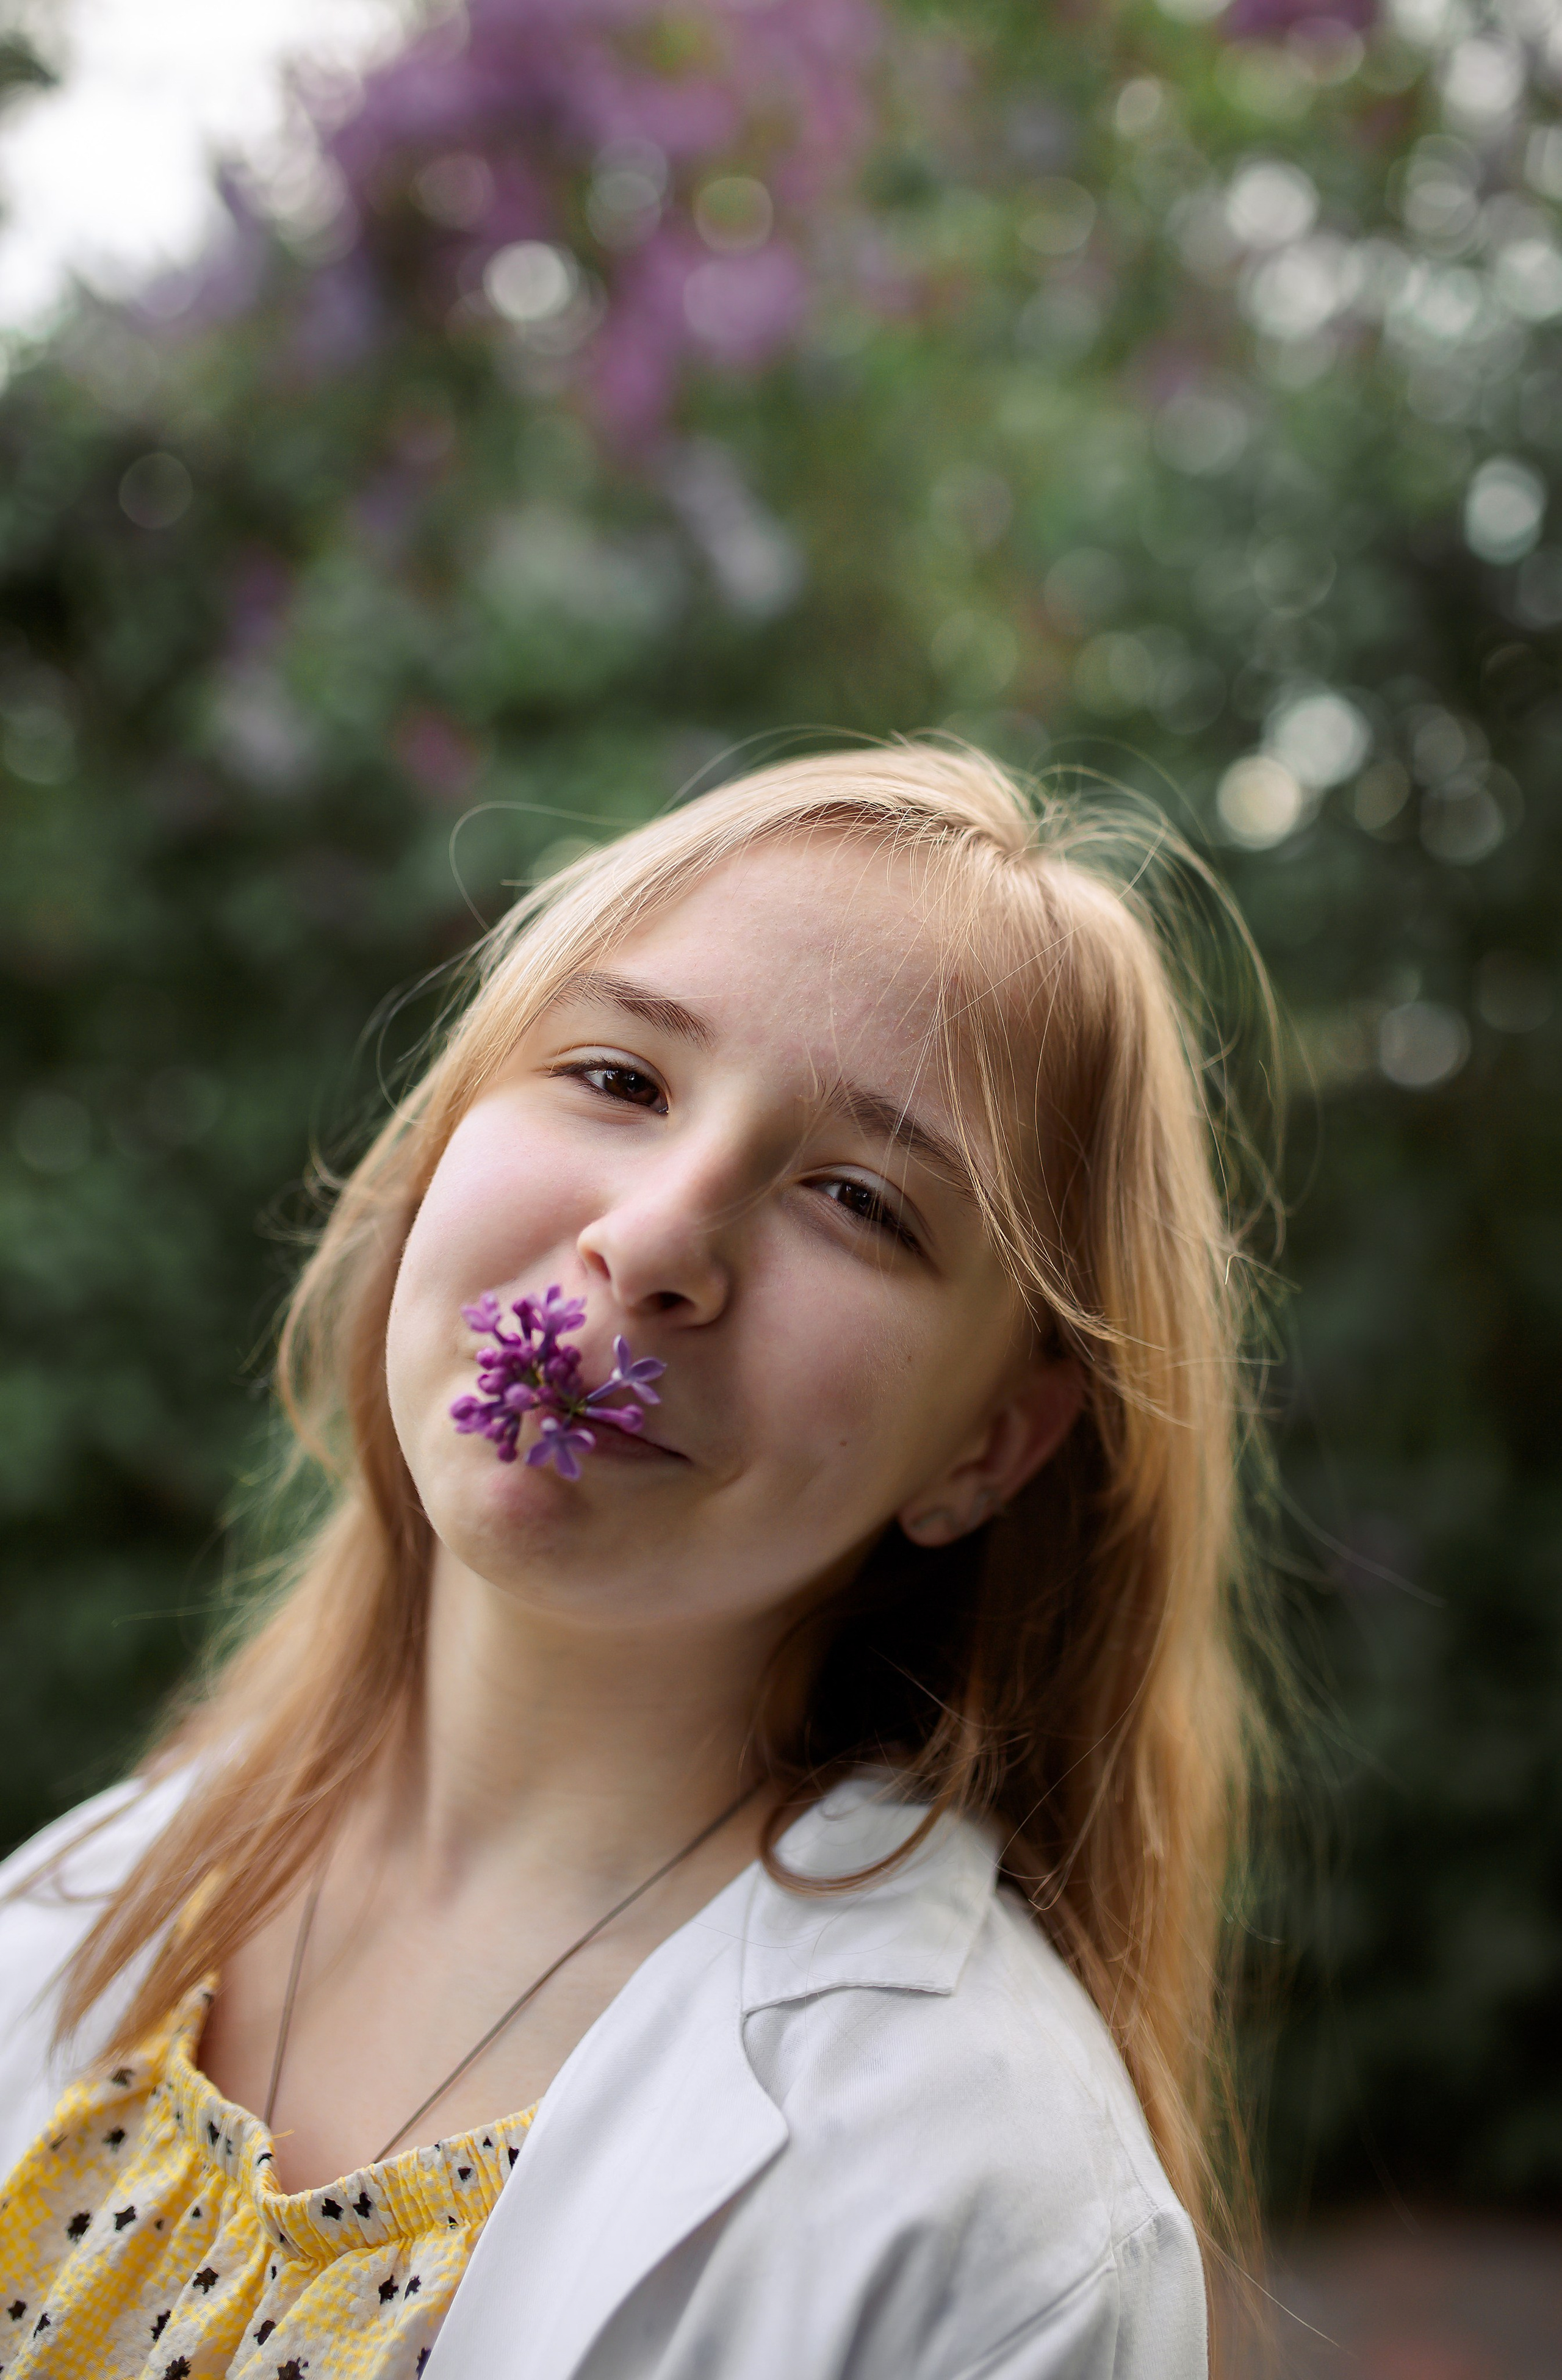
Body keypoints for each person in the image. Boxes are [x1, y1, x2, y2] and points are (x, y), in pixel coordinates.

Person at [0, 743, 1278, 2380]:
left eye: (859, 1199)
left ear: (986, 1448)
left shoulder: (995, 2228)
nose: (661, 1238)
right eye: (617, 1077)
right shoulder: (76, 1900)